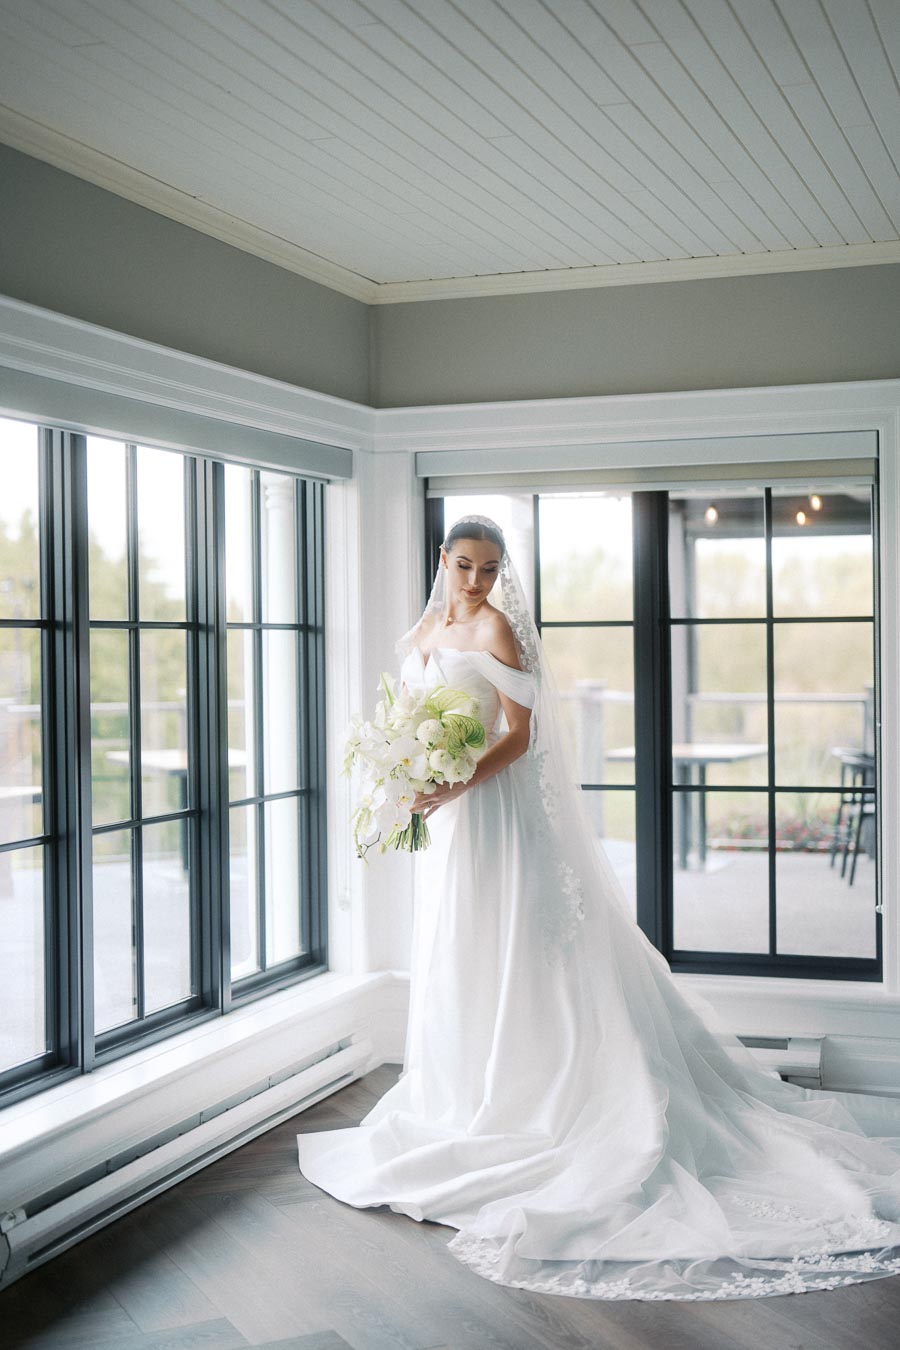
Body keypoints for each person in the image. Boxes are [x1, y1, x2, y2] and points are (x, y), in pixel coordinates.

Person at [297, 514, 900, 1301]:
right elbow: (406, 713)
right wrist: (406, 768)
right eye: (464, 566)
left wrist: (453, 780)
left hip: (491, 813)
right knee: (459, 947)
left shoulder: (498, 631)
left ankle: (536, 1100)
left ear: (500, 571)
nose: (475, 582)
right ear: (443, 560)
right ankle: (463, 1094)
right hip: (445, 827)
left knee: (517, 946)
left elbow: (519, 735)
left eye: (489, 569)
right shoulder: (428, 624)